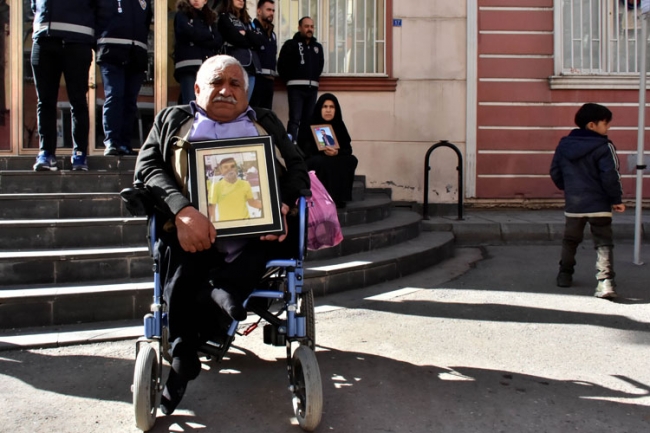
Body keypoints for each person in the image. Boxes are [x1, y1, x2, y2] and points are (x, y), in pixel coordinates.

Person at [134, 55, 309, 415]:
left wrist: (285, 207)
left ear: (246, 93)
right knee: (180, 262)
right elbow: (148, 167)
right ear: (197, 89)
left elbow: (297, 169)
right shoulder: (173, 120)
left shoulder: (265, 122)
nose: (226, 91)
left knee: (273, 240)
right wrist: (182, 211)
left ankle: (227, 291)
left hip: (255, 235)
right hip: (191, 231)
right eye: (217, 82)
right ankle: (183, 354)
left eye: (235, 84)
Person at [550, 103, 625, 299]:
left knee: (570, 240)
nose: (607, 128)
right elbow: (611, 175)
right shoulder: (604, 146)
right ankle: (605, 282)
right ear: (592, 125)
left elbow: (555, 172)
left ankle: (564, 275)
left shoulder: (564, 145)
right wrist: (616, 199)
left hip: (574, 203)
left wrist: (569, 188)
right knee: (603, 242)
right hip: (599, 203)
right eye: (606, 124)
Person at [31, 0, 95, 171]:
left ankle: (80, 154)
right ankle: (46, 153)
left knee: (78, 100)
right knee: (45, 101)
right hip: (44, 40)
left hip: (77, 43)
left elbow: (99, 8)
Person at [96, 0, 153, 156]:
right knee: (115, 96)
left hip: (136, 54)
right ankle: (112, 141)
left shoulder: (144, 1)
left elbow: (146, 23)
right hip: (111, 52)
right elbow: (96, 17)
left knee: (130, 101)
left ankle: (125, 144)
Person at [297, 93, 357, 208]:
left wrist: (337, 152)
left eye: (332, 107)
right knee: (321, 161)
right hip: (314, 158)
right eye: (325, 107)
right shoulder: (309, 123)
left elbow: (348, 149)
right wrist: (321, 150)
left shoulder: (339, 125)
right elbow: (303, 150)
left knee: (351, 160)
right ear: (320, 108)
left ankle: (339, 197)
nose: (328, 110)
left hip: (334, 156)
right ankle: (322, 197)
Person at [277, 16, 324, 142]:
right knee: (294, 120)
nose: (309, 29)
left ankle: (304, 150)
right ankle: (291, 148)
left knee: (308, 121)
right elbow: (281, 65)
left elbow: (320, 66)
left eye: (312, 26)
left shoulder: (318, 47)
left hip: (312, 89)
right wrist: (290, 80)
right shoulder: (290, 45)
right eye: (306, 26)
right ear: (299, 28)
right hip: (295, 89)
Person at [174, 0, 223, 104]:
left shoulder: (210, 19)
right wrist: (208, 36)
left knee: (206, 102)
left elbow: (218, 40)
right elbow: (186, 32)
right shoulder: (182, 14)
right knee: (190, 103)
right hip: (187, 64)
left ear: (205, 1)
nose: (196, 0)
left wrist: (199, 38)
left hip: (207, 66)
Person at [217, 0, 264, 102]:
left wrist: (246, 33)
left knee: (244, 105)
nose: (241, 1)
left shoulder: (247, 21)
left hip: (252, 67)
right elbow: (235, 38)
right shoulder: (224, 18)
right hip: (235, 65)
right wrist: (251, 40)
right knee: (234, 103)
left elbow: (260, 41)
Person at [206, 157, 261, 221]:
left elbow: (252, 202)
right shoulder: (215, 187)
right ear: (221, 170)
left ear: (236, 169)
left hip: (245, 223)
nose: (230, 169)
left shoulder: (245, 184)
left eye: (232, 166)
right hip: (226, 224)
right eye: (225, 167)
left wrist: (268, 205)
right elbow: (212, 209)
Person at [249, 0, 277, 109]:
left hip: (269, 80)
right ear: (259, 11)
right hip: (256, 78)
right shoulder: (251, 28)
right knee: (253, 113)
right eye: (268, 10)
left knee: (266, 116)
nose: (271, 13)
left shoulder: (273, 34)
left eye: (273, 10)